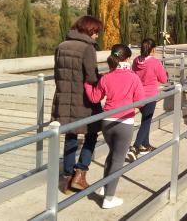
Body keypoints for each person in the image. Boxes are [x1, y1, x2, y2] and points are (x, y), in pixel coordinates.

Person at [84, 44, 145, 209]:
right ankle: (109, 198)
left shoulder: (106, 77)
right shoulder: (133, 77)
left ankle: (105, 189)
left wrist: (87, 83)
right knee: (118, 159)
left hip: (107, 121)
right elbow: (141, 100)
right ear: (126, 59)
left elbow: (95, 98)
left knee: (111, 155)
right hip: (125, 122)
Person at [51, 15, 103, 195]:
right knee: (91, 134)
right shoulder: (87, 48)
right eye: (96, 32)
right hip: (84, 101)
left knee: (70, 136)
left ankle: (67, 178)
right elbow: (92, 77)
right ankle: (80, 174)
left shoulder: (61, 46)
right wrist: (104, 80)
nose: (97, 36)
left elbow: (57, 74)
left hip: (63, 98)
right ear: (90, 30)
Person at [128, 38, 168, 160]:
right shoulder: (155, 62)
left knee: (146, 118)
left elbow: (133, 75)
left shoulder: (136, 60)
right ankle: (135, 147)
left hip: (138, 96)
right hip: (150, 96)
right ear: (153, 49)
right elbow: (164, 79)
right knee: (146, 122)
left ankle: (145, 144)